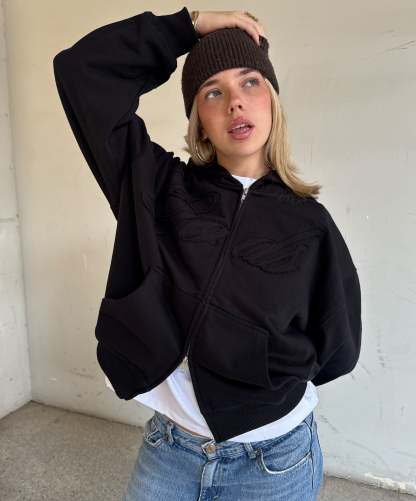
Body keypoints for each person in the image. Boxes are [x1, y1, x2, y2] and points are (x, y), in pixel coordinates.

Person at [53, 6, 362, 500]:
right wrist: (186, 25)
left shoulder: (311, 224)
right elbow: (81, 71)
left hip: (274, 460)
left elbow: (338, 348)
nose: (235, 102)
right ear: (200, 123)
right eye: (213, 92)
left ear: (272, 102)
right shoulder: (157, 188)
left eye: (250, 83)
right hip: (170, 451)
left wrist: (260, 368)